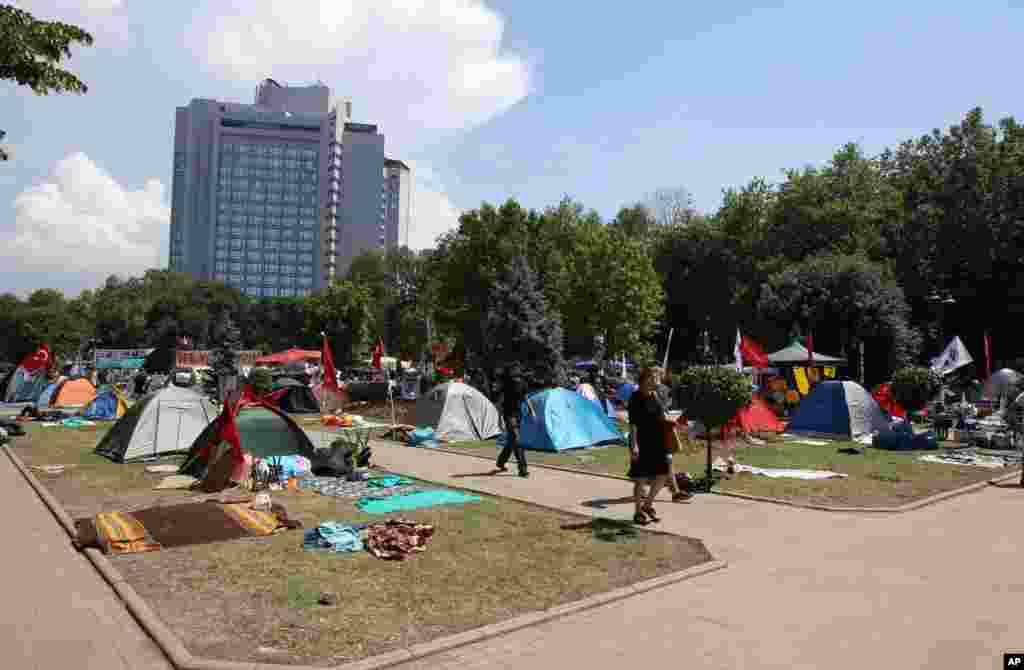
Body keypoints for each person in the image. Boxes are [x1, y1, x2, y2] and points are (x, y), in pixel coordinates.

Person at [627, 366, 680, 525]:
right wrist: (634, 445)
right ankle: (638, 512)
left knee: (663, 475)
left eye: (657, 378)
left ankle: (648, 505)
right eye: (653, 377)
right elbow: (633, 424)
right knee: (641, 479)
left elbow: (662, 415)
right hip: (641, 441)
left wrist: (670, 423)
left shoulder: (655, 395)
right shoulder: (635, 397)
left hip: (657, 441)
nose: (656, 380)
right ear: (644, 379)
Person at [494, 369, 529, 477]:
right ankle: (522, 469)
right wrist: (499, 418)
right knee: (517, 440)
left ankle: (500, 462)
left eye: (518, 376)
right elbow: (500, 402)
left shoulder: (523, 384)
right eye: (515, 376)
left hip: (518, 415)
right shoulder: (506, 385)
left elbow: (525, 398)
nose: (517, 378)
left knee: (511, 440)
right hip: (509, 415)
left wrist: (531, 410)